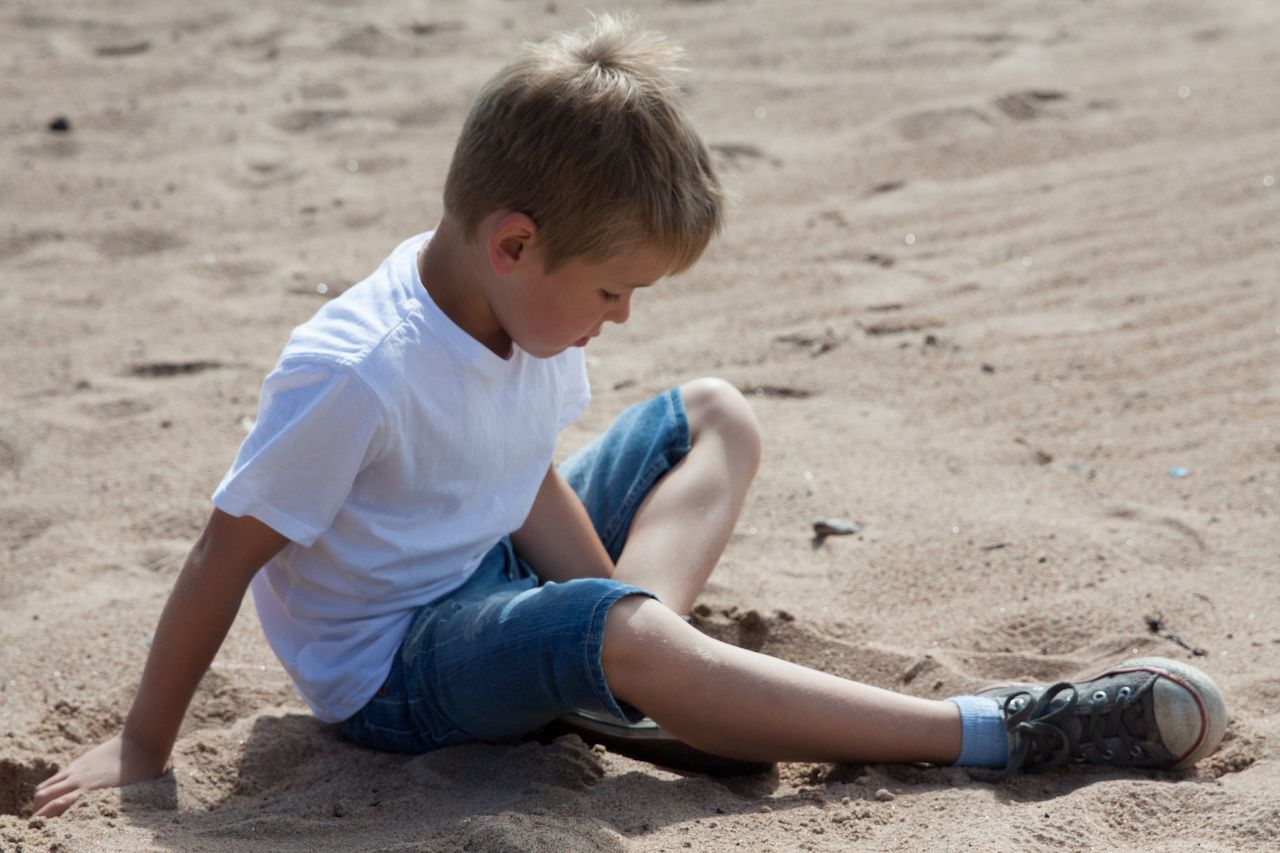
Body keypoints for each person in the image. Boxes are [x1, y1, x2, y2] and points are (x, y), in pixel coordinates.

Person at [31, 14, 1226, 819]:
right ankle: (991, 732)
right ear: (513, 241)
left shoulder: (515, 310)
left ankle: (642, 678)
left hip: (489, 578)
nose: (618, 317)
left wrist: (605, 617)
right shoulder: (356, 370)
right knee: (620, 632)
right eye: (612, 291)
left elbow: (520, 474)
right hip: (396, 670)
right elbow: (223, 549)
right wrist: (140, 751)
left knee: (713, 414)